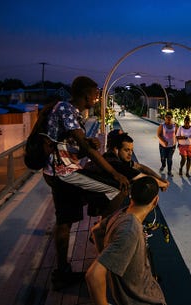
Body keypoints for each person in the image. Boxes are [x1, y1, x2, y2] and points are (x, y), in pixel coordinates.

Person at [43, 76, 129, 290]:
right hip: (63, 172)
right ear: (84, 94)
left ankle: (62, 272)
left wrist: (85, 143)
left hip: (58, 171)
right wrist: (113, 172)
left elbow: (76, 147)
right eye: (95, 94)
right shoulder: (66, 109)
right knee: (116, 188)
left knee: (65, 221)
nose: (97, 97)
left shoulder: (74, 113)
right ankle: (98, 228)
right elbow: (88, 151)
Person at [86, 176, 167, 305]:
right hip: (141, 299)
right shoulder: (130, 230)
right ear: (155, 201)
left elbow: (96, 230)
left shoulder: (122, 213)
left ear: (131, 196)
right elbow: (93, 275)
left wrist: (106, 257)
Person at [157, 111, 177, 177]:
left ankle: (169, 171)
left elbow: (176, 134)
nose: (168, 119)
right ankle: (163, 165)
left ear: (171, 118)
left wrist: (178, 142)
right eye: (167, 117)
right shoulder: (162, 126)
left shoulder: (174, 125)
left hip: (172, 145)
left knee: (169, 159)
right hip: (163, 146)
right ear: (165, 118)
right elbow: (158, 135)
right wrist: (164, 141)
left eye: (170, 117)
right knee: (163, 158)